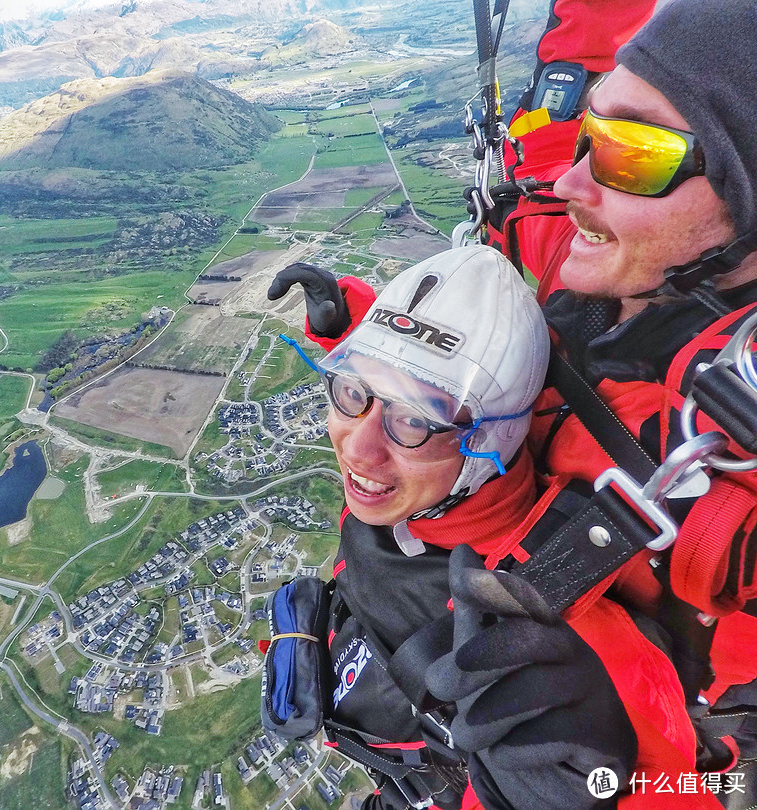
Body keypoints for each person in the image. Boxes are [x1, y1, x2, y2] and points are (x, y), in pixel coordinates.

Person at [270, 1, 757, 807]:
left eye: (632, 153)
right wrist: (373, 336)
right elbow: (503, 276)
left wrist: (626, 768)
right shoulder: (610, 249)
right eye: (589, 139)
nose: (573, 181)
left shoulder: (732, 458)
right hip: (450, 582)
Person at [264, 246, 663, 809]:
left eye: (411, 422)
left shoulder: (545, 614)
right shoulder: (424, 485)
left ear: (487, 444)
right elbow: (441, 386)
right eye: (353, 393)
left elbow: (690, 781)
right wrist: (351, 330)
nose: (358, 448)